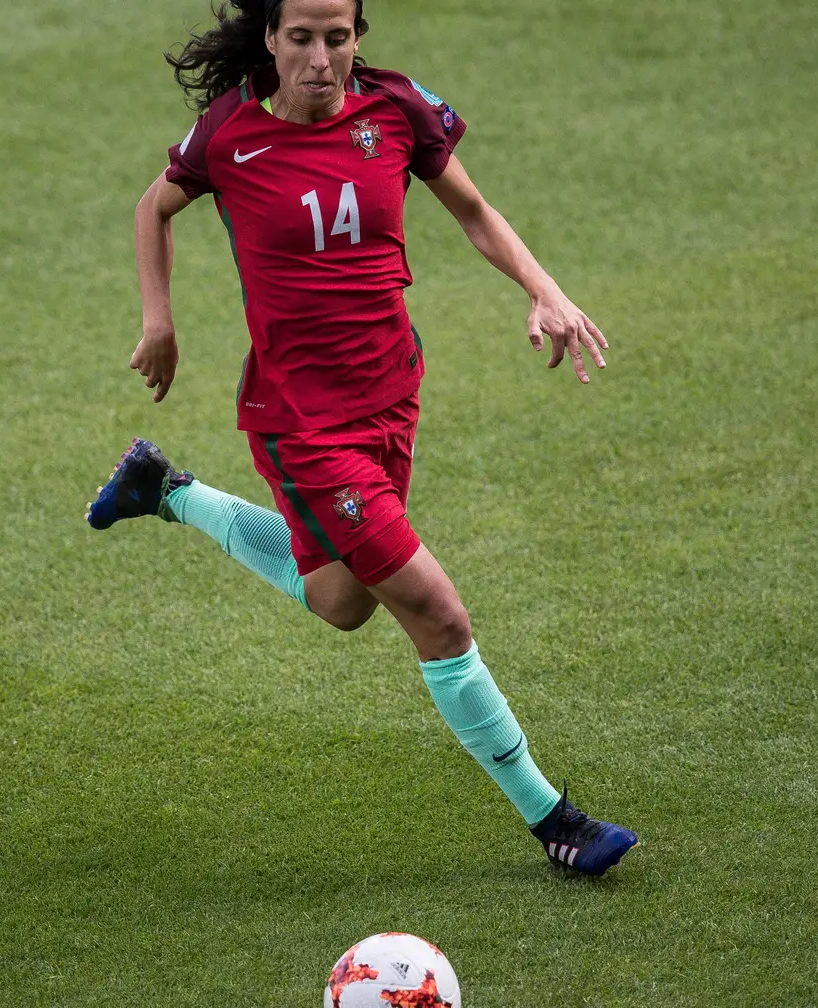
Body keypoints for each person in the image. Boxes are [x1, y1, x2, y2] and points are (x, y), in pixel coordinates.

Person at [89, 0, 636, 875]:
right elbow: (153, 210)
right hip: (302, 427)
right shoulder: (230, 136)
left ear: (357, 38)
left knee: (343, 603)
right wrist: (160, 321)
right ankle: (555, 821)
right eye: (299, 38)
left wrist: (544, 287)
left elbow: (474, 209)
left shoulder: (395, 112)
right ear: (269, 39)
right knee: (438, 615)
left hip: (392, 397)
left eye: (336, 38)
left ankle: (167, 492)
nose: (319, 59)